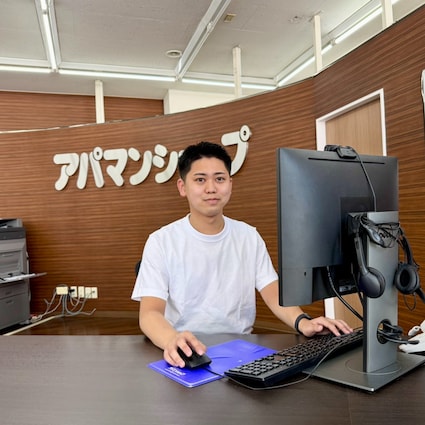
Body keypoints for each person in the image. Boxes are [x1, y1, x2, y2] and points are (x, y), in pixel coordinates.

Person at [131, 141, 352, 368]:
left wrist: (303, 322)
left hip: (240, 349)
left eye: (219, 179)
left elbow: (272, 291)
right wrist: (172, 340)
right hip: (186, 353)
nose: (211, 188)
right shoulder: (161, 241)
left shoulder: (248, 236)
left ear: (230, 184)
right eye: (200, 180)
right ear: (182, 187)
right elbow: (149, 314)